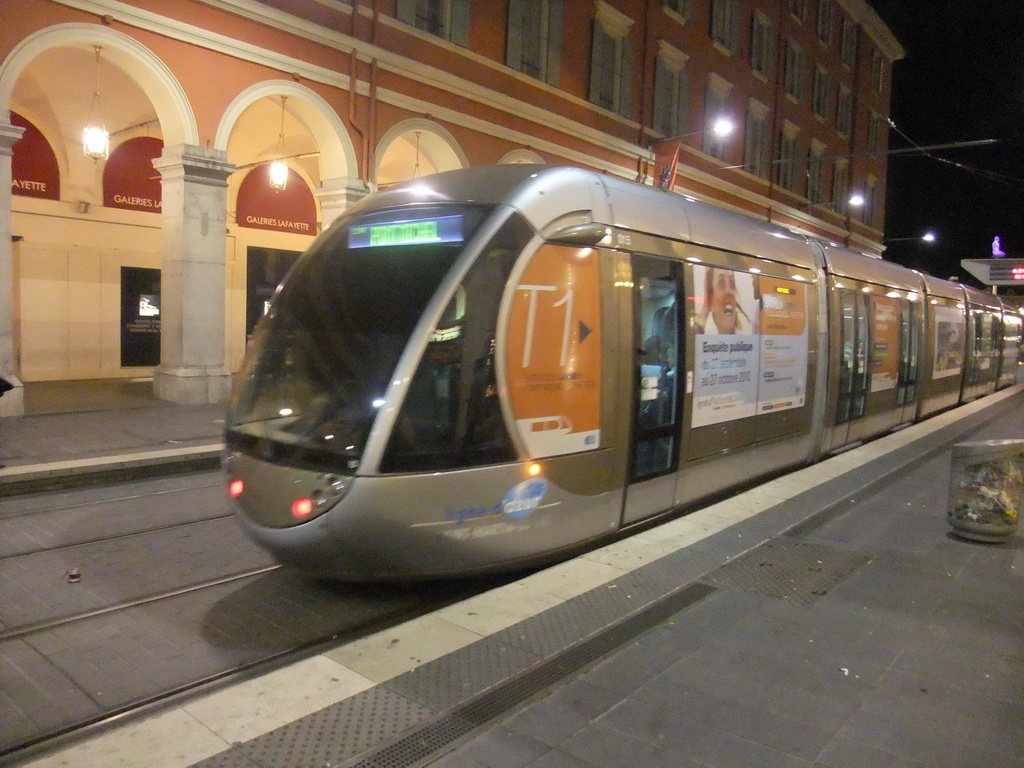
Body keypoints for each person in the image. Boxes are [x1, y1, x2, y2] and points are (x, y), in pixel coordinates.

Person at [698, 267, 752, 334]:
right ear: (711, 299)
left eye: (731, 283)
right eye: (721, 283)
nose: (728, 291)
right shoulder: (706, 339)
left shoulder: (747, 338)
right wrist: (705, 310)